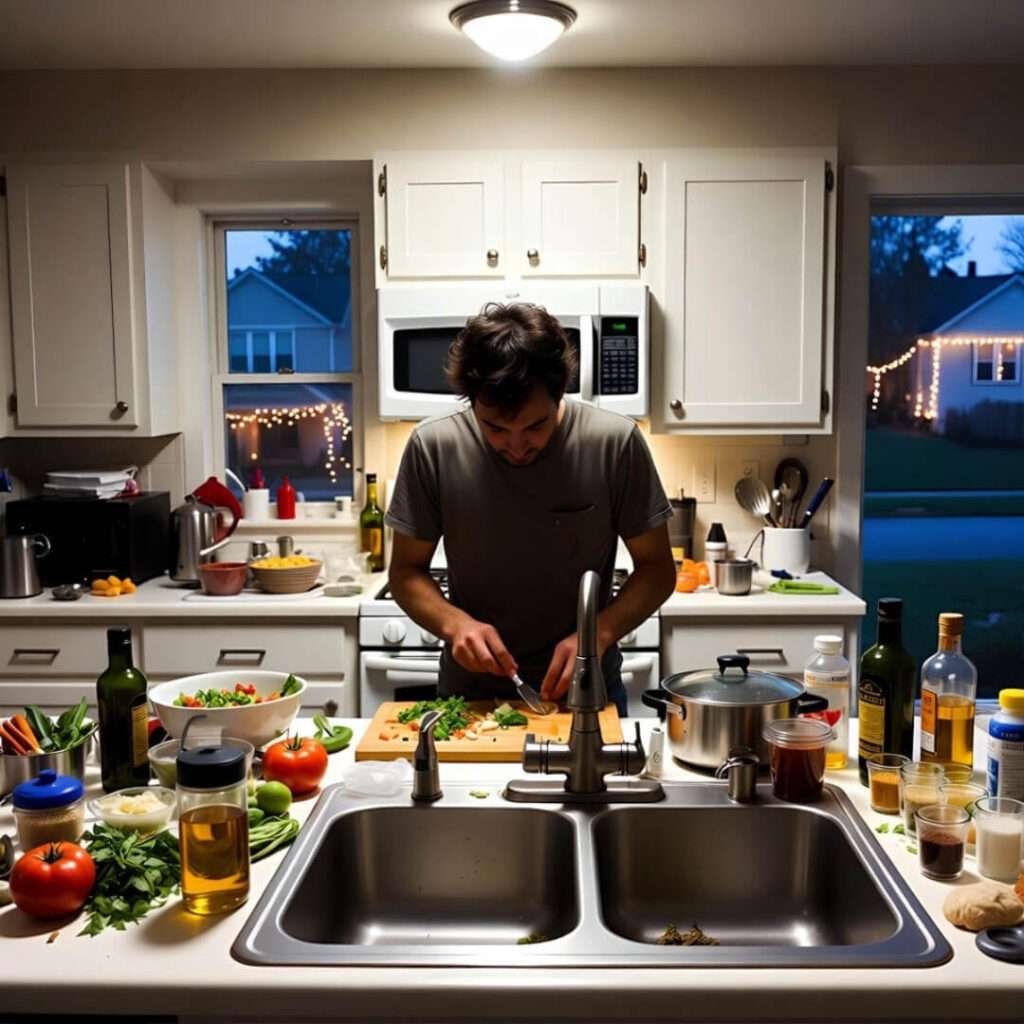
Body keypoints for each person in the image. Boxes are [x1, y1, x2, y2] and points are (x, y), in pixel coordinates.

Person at [385, 302, 676, 715]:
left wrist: (597, 634)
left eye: (535, 426)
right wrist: (456, 626)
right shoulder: (432, 446)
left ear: (560, 394)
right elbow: (405, 573)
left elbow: (658, 569)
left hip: (586, 683)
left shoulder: (615, 442)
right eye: (495, 428)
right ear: (472, 402)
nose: (517, 446)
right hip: (471, 690)